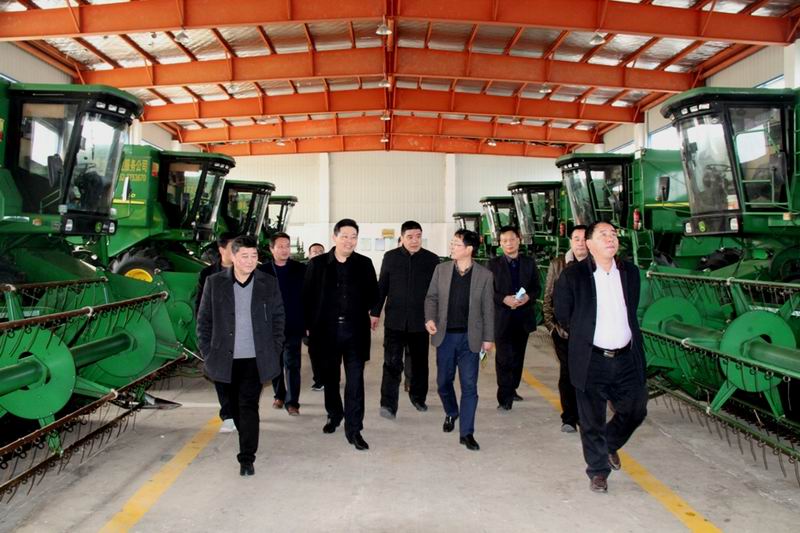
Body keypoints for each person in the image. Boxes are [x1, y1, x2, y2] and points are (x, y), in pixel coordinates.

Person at [554, 221, 648, 493]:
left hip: (626, 357)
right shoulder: (573, 276)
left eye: (614, 234)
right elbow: (563, 313)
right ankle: (598, 471)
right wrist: (585, 334)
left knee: (636, 408)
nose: (611, 239)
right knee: (591, 419)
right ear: (589, 243)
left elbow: (631, 309)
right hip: (591, 358)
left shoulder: (630, 273)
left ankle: (608, 444)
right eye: (603, 235)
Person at [197, 235, 285, 476]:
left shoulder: (268, 283)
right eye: (244, 256)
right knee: (234, 406)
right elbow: (204, 321)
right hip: (225, 358)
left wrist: (274, 348)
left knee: (248, 406)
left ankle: (246, 457)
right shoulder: (215, 283)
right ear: (233, 256)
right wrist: (208, 352)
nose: (249, 260)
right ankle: (240, 432)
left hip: (255, 358)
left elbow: (278, 318)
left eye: (254, 256)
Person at [302, 219, 378, 451]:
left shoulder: (364, 264)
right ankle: (334, 414)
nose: (349, 241)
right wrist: (308, 327)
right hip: (326, 332)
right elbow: (306, 297)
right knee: (331, 379)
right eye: (344, 236)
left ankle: (354, 429)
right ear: (334, 237)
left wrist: (371, 311)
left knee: (355, 381)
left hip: (355, 332)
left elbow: (374, 295)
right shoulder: (317, 264)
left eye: (353, 237)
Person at [424, 229, 494, 451]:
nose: (452, 247)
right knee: (443, 383)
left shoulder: (485, 275)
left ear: (469, 249)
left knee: (469, 386)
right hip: (445, 337)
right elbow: (431, 298)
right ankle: (452, 411)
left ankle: (467, 433)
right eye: (452, 243)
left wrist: (488, 338)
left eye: (456, 244)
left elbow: (488, 309)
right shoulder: (441, 270)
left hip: (470, 339)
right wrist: (429, 319)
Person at [370, 221, 439, 419]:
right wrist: (375, 312)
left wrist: (434, 317)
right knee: (391, 363)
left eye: (418, 236)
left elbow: (436, 292)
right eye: (410, 237)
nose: (414, 240)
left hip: (421, 321)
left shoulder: (431, 259)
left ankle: (418, 398)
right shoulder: (390, 257)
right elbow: (382, 286)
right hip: (395, 321)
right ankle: (388, 404)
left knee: (419, 364)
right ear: (401, 238)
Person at [488, 226, 540, 411]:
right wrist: (504, 299)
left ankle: (512, 388)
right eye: (504, 241)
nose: (509, 243)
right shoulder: (493, 265)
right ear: (500, 244)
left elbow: (536, 288)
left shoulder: (529, 263)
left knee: (518, 357)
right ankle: (504, 398)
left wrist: (528, 298)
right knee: (503, 359)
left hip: (522, 318)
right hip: (502, 318)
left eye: (512, 239)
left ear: (519, 240)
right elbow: (488, 291)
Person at [543, 224, 588, 433]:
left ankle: (585, 415)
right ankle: (569, 417)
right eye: (576, 239)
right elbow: (548, 298)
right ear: (570, 241)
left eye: (584, 239)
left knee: (587, 373)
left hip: (588, 332)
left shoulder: (596, 265)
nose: (580, 243)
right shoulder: (558, 264)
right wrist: (552, 327)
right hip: (563, 333)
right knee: (568, 373)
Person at [195, 231, 239, 433]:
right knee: (221, 376)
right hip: (218, 334)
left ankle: (241, 412)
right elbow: (201, 308)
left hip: (242, 334)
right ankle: (228, 415)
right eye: (233, 248)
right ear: (221, 249)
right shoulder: (207, 275)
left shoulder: (247, 271)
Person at [261, 232, 307, 416]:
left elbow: (308, 296)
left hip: (294, 323)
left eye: (287, 246)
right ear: (271, 249)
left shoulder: (300, 269)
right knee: (275, 363)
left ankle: (292, 402)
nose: (285, 250)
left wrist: (308, 322)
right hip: (271, 326)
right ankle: (279, 395)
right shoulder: (262, 271)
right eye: (280, 246)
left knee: (293, 364)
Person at [306, 242, 326, 391]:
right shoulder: (304, 272)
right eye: (314, 251)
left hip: (328, 320)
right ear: (309, 255)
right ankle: (319, 379)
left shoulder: (331, 271)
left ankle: (328, 378)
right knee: (314, 351)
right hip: (311, 320)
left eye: (320, 252)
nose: (317, 254)